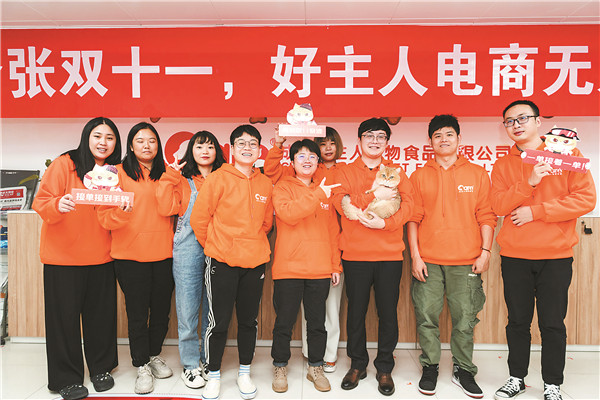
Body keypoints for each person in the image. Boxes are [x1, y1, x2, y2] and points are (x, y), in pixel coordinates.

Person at [491, 100, 596, 400]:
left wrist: (536, 212)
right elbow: (498, 205)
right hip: (515, 256)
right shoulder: (503, 164)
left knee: (552, 324)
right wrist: (529, 183)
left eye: (523, 118)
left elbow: (586, 199)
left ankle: (553, 384)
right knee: (517, 322)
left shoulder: (568, 154)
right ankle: (516, 378)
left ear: (538, 121)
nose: (516, 125)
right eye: (509, 121)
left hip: (555, 256)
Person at [407, 115, 497, 398]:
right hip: (428, 261)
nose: (443, 139)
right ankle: (430, 366)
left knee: (465, 319)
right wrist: (415, 256)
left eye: (449, 134)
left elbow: (486, 216)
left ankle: (464, 369)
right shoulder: (418, 176)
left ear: (459, 138)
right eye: (437, 135)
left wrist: (485, 251)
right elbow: (413, 219)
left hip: (467, 260)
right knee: (426, 316)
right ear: (430, 141)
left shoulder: (478, 174)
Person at [32, 117, 121, 400]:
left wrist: (124, 206)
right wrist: (58, 203)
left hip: (101, 256)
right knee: (63, 322)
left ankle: (101, 368)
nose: (103, 142)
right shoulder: (64, 164)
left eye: (109, 137)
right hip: (63, 259)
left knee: (100, 318)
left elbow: (115, 215)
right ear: (86, 137)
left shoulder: (115, 171)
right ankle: (66, 378)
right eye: (97, 136)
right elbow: (41, 202)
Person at [331, 117, 414, 396]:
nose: (375, 141)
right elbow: (342, 204)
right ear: (359, 140)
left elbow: (409, 206)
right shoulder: (344, 171)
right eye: (369, 135)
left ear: (387, 142)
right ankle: (357, 364)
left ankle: (385, 367)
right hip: (355, 254)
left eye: (381, 136)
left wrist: (386, 224)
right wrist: (374, 195)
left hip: (390, 254)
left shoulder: (397, 172)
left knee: (387, 313)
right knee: (356, 312)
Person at [190, 124, 273, 400]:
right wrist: (216, 247)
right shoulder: (217, 179)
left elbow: (266, 223)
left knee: (249, 321)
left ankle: (244, 372)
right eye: (241, 143)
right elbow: (199, 220)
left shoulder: (265, 183)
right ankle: (213, 374)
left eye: (253, 144)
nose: (247, 148)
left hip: (255, 262)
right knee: (218, 322)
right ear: (232, 148)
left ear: (259, 149)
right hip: (222, 262)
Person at [98, 122, 175, 395]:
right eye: (140, 140)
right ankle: (141, 364)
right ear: (130, 145)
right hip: (129, 256)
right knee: (137, 314)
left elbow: (175, 208)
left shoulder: (167, 173)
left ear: (158, 145)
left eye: (152, 140)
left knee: (162, 313)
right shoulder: (115, 173)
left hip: (164, 254)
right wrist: (122, 211)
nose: (146, 145)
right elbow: (104, 217)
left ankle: (153, 355)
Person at [264, 126, 345, 373]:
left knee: (317, 324)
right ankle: (280, 366)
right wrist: (317, 194)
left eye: (312, 156)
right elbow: (288, 214)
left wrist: (335, 265)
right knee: (284, 323)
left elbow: (333, 232)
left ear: (318, 162)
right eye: (301, 156)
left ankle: (316, 367)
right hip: (289, 268)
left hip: (319, 269)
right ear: (292, 162)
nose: (307, 160)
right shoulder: (283, 187)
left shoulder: (324, 191)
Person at [156, 131, 226, 389]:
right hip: (188, 248)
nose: (205, 151)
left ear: (218, 151)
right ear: (191, 152)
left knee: (212, 309)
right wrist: (170, 176)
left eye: (210, 146)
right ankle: (190, 364)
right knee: (187, 310)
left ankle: (208, 360)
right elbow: (166, 208)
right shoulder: (182, 180)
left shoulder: (224, 178)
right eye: (199, 147)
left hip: (219, 247)